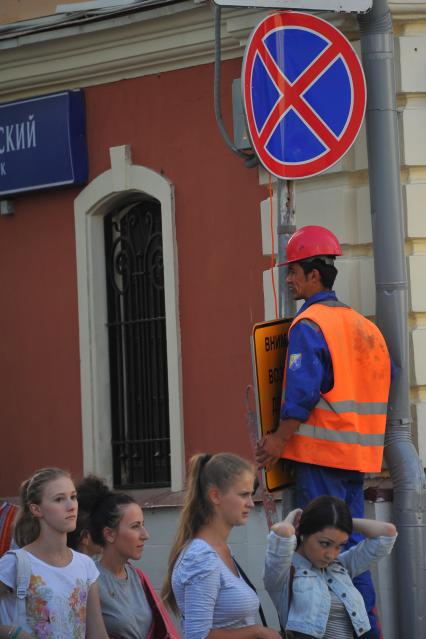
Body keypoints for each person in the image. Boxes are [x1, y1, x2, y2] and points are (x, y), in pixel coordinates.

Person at [256, 225, 393, 639]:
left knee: (318, 551)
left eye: (294, 271)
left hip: (320, 458)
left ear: (314, 274)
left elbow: (301, 392)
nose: (289, 279)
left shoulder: (309, 323)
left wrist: (277, 441)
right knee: (346, 546)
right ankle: (365, 630)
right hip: (358, 460)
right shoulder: (363, 326)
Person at [162, 452, 281, 639]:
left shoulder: (220, 550)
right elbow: (197, 636)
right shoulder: (200, 557)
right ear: (215, 496)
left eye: (251, 495)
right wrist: (257, 632)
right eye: (243, 495)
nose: (250, 503)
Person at [264, 496, 397, 639]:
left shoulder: (340, 567)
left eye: (339, 546)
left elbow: (387, 533)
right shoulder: (283, 572)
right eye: (325, 543)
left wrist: (340, 521)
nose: (331, 555)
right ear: (303, 533)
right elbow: (283, 531)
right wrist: (294, 518)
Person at [0, 466, 108, 639]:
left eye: (73, 497)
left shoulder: (85, 565)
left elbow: (97, 634)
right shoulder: (16, 562)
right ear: (36, 509)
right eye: (59, 499)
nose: (71, 506)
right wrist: (14, 633)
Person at [81, 475, 178, 639]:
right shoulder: (90, 580)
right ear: (109, 534)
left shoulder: (137, 577)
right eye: (135, 526)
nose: (145, 535)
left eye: (143, 525)